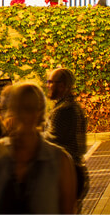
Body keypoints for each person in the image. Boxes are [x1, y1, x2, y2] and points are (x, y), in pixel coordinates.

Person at [0, 83, 76, 214]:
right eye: (16, 108)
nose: (21, 115)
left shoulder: (59, 161)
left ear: (39, 113)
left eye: (28, 109)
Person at [46, 67, 89, 202]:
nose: (48, 86)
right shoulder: (72, 106)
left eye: (50, 82)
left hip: (66, 172)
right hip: (74, 170)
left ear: (62, 85)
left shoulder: (64, 110)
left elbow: (52, 141)